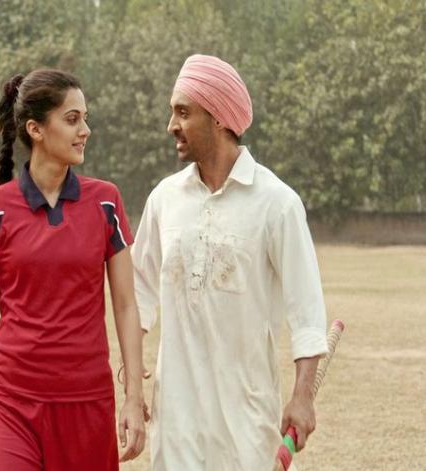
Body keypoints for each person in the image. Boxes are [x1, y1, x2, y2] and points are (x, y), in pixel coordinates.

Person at [131, 54, 329, 470]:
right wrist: (132, 390)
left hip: (247, 427)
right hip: (176, 426)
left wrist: (302, 397)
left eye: (183, 112)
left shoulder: (278, 203)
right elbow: (136, 297)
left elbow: (307, 312)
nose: (171, 125)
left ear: (219, 117)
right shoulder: (164, 199)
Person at [0, 69, 146, 471]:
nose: (85, 130)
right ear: (35, 129)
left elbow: (126, 305)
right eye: (72, 119)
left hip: (87, 402)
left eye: (85, 118)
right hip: (11, 403)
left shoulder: (106, 202)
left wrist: (134, 399)